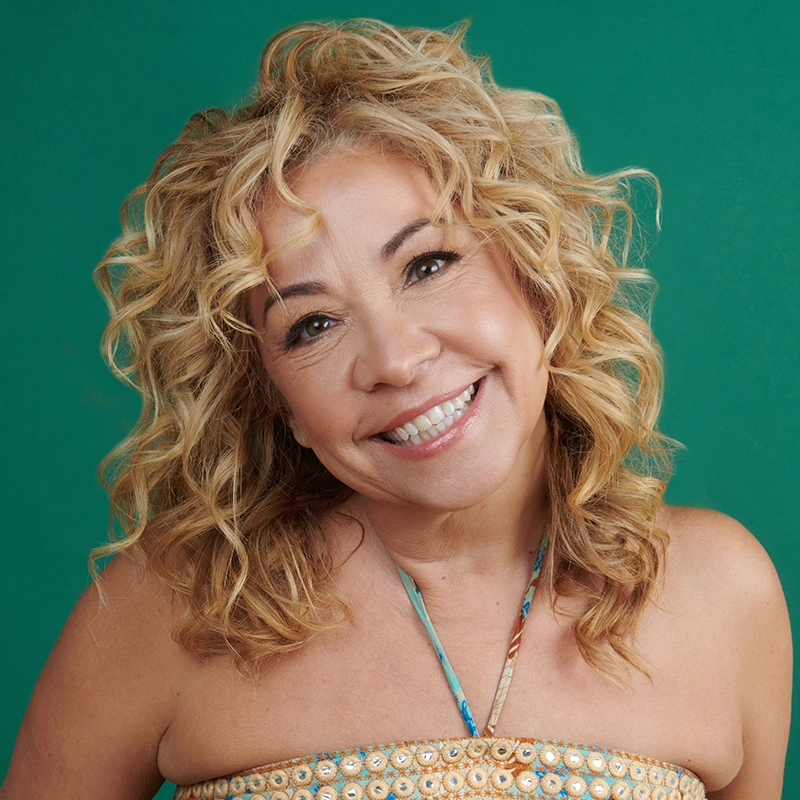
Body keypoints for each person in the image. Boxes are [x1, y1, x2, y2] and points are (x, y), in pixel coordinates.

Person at [0, 19, 790, 800]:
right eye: (312, 325)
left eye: (428, 264)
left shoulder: (724, 597)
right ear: (276, 401)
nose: (395, 360)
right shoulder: (171, 611)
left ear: (537, 277)